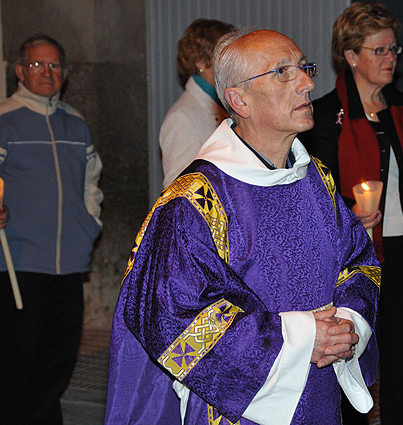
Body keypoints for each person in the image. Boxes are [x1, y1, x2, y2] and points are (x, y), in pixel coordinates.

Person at [104, 28, 380, 425]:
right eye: (283, 72)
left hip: (317, 397)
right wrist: (302, 338)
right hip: (238, 408)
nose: (307, 83)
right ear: (239, 100)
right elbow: (173, 317)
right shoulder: (197, 201)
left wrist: (347, 323)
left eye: (303, 67)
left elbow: (359, 262)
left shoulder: (317, 180)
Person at [300, 3, 403, 424]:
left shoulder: (400, 105)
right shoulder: (324, 117)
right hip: (353, 260)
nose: (390, 58)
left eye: (394, 49)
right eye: (380, 50)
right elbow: (315, 195)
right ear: (352, 55)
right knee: (349, 363)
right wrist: (349, 213)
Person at [0, 34, 103, 424]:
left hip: (68, 261)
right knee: (15, 352)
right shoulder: (1, 118)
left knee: (59, 353)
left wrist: (89, 223)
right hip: (18, 258)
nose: (47, 72)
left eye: (55, 65)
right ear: (20, 71)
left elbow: (91, 181)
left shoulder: (75, 123)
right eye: (37, 65)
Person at [159, 18, 234, 187]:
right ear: (201, 62)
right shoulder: (182, 117)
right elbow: (178, 192)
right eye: (224, 56)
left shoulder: (225, 104)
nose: (233, 64)